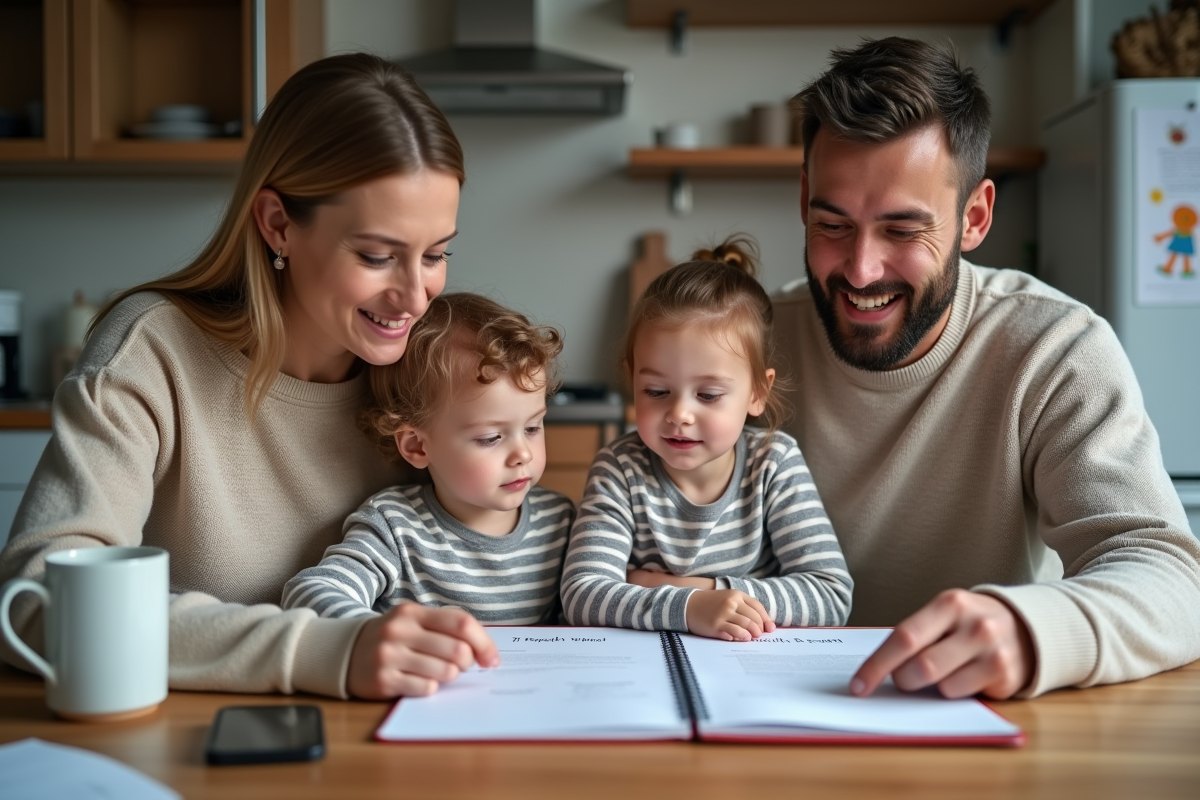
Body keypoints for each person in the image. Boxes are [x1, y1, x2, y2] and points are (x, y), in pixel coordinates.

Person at [0, 54, 502, 701]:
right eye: (378, 256)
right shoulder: (153, 351)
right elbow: (37, 599)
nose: (414, 295)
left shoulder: (427, 372)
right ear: (278, 224)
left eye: (435, 254)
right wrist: (323, 650)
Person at [774, 37, 1200, 700]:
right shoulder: (750, 345)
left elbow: (1171, 574)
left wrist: (1031, 631)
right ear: (804, 201)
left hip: (986, 725)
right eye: (833, 225)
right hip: (764, 715)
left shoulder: (1053, 347)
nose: (861, 269)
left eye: (902, 231)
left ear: (974, 218)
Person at [561, 240, 853, 640]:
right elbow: (582, 595)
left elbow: (830, 595)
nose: (680, 414)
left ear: (756, 393)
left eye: (708, 396)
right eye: (656, 391)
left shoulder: (774, 463)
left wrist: (698, 592)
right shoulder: (620, 468)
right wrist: (690, 609)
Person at [282, 293, 575, 647]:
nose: (523, 454)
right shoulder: (395, 527)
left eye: (532, 428)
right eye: (491, 437)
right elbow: (310, 592)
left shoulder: (562, 521)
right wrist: (370, 633)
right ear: (417, 446)